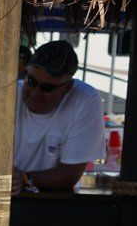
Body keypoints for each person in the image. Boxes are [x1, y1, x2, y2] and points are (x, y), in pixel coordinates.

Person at [12, 40, 104, 195]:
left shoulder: (86, 100)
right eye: (31, 81)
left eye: (47, 88)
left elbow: (69, 175)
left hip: (54, 200)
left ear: (68, 87)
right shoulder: (9, 95)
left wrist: (24, 179)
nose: (35, 93)